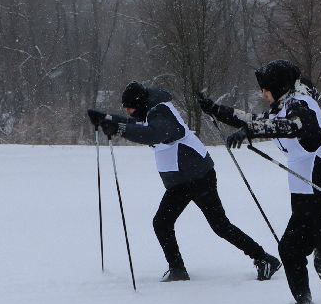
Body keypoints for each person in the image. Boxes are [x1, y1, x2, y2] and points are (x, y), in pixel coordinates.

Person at [200, 61, 321, 304]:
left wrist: (252, 131)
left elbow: (295, 126)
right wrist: (216, 110)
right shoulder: (281, 107)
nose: (262, 94)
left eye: (266, 89)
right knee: (290, 249)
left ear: (279, 88)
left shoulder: (301, 105)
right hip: (305, 197)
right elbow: (255, 120)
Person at [87, 82, 280, 283]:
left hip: (197, 177)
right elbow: (139, 125)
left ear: (140, 103)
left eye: (130, 107)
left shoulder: (160, 112)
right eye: (125, 108)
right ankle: (178, 270)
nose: (128, 111)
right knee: (164, 223)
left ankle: (264, 259)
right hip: (183, 180)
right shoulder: (149, 110)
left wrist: (118, 128)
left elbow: (154, 133)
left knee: (218, 226)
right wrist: (106, 119)